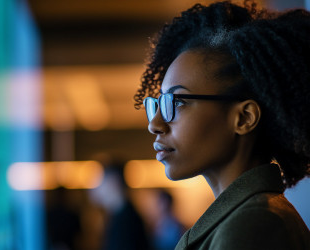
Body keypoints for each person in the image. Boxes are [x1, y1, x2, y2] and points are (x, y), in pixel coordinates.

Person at [134, 1, 310, 249]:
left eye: (177, 102)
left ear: (244, 118)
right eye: (159, 104)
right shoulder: (248, 216)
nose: (155, 124)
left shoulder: (255, 226)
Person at [89, 162, 150, 250]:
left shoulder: (126, 221)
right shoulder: (120, 215)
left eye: (98, 182)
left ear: (113, 182)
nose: (93, 189)